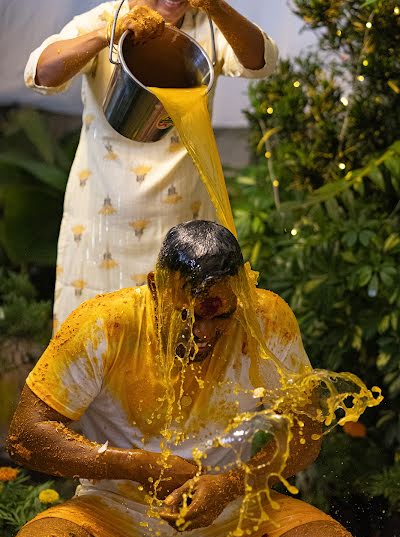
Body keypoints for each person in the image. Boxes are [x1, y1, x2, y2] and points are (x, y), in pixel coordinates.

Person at [3, 221, 363, 537]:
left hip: (233, 510)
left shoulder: (265, 317)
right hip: (115, 509)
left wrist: (228, 485)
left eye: (221, 316)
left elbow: (304, 435)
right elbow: (26, 434)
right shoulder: (103, 323)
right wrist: (138, 466)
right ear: (156, 288)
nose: (205, 334)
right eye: (188, 316)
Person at [24, 0, 278, 331]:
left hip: (182, 225)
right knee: (94, 339)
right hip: (102, 223)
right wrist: (106, 35)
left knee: (176, 341)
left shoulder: (209, 27)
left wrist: (217, 8)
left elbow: (262, 63)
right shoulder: (107, 17)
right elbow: (41, 73)